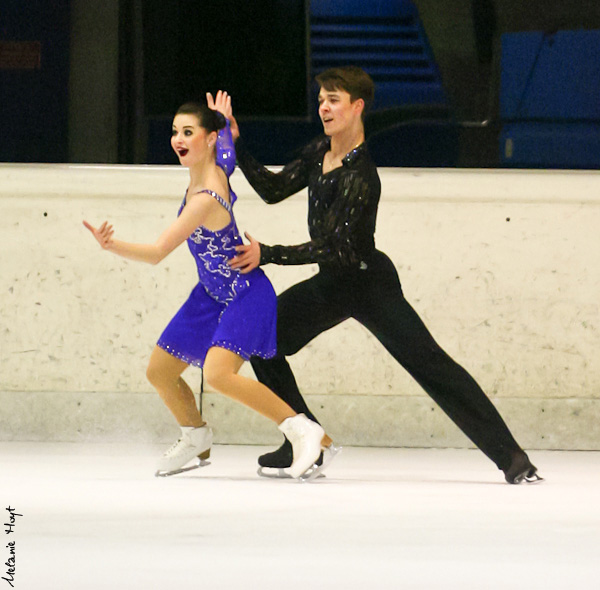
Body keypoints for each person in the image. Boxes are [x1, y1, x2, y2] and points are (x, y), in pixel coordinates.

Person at [208, 68, 542, 485]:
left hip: (367, 283)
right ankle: (306, 439)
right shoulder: (320, 152)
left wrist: (269, 254)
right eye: (321, 100)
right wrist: (235, 144)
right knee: (262, 340)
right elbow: (274, 189)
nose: (324, 108)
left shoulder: (361, 173)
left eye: (334, 100)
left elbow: (337, 247)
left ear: (357, 106)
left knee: (430, 364)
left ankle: (512, 458)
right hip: (333, 283)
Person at [83, 99, 329, 480]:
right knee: (160, 371)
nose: (177, 139)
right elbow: (228, 152)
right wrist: (228, 124)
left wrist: (110, 245)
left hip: (245, 293)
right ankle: (195, 435)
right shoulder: (217, 166)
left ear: (208, 138)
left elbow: (157, 253)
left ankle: (301, 428)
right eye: (175, 132)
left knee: (218, 375)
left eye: (188, 132)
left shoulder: (203, 199)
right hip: (211, 294)